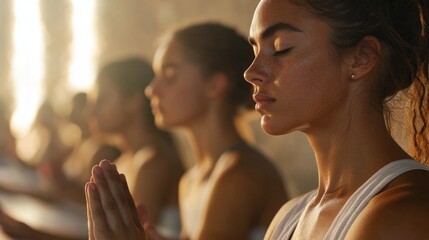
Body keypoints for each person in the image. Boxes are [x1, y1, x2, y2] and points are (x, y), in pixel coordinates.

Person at [86, 0, 429, 239]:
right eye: (254, 52)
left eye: (280, 48)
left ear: (361, 58)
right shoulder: (290, 217)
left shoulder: (402, 216)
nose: (251, 73)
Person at [87, 23, 288, 240]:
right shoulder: (191, 180)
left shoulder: (240, 174)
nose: (151, 89)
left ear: (214, 85)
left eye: (170, 73)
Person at [92, 58, 185, 235]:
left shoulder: (154, 163)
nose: (92, 110)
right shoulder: (124, 159)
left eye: (102, 99)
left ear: (133, 101)